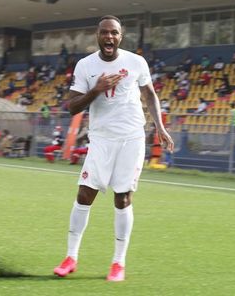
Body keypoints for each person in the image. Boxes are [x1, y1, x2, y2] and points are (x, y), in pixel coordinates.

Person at [53, 15, 174, 282]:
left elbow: (150, 94)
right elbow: (72, 107)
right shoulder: (86, 65)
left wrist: (160, 126)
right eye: (105, 32)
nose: (109, 37)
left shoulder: (136, 61)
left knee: (123, 198)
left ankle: (118, 263)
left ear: (121, 36)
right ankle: (70, 257)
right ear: (97, 35)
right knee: (84, 195)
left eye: (114, 33)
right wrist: (96, 90)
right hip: (101, 140)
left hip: (131, 138)